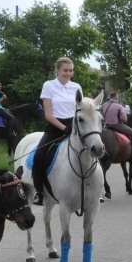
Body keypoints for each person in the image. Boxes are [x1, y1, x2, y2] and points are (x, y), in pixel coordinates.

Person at [32, 57, 80, 206]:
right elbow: (48, 114)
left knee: (96, 149)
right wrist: (64, 128)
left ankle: (98, 189)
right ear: (57, 70)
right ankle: (39, 192)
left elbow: (79, 109)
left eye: (71, 70)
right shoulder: (49, 86)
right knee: (39, 156)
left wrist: (74, 126)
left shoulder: (76, 87)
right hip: (55, 126)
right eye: (65, 70)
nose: (68, 73)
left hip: (74, 126)